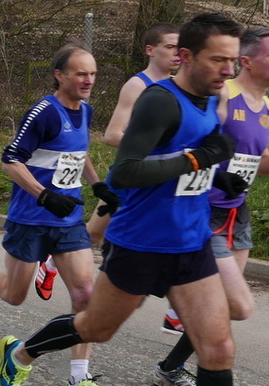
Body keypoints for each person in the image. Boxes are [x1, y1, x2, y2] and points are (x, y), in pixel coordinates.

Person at [0, 13, 269, 386]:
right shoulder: (159, 101)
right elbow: (127, 172)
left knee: (218, 350)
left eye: (233, 61)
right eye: (218, 60)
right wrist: (199, 161)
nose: (226, 70)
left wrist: (220, 180)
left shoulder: (213, 100)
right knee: (96, 327)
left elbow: (193, 161)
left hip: (191, 243)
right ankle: (22, 352)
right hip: (140, 244)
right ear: (186, 56)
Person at [0, 45, 120, 386]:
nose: (88, 81)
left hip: (68, 219)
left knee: (85, 296)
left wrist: (96, 183)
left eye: (93, 74)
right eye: (80, 74)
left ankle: (79, 380)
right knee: (14, 294)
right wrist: (43, 195)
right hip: (32, 217)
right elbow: (10, 160)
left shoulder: (86, 110)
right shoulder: (43, 112)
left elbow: (76, 151)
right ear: (60, 75)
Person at [151, 27, 269, 386]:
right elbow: (189, 148)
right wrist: (215, 172)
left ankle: (171, 366)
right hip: (200, 208)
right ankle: (163, 285)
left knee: (226, 306)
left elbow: (258, 163)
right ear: (247, 61)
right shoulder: (224, 96)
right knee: (227, 302)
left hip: (235, 213)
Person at [35, 23, 179, 300]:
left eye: (180, 47)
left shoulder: (178, 86)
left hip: (161, 179)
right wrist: (155, 149)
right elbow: (112, 135)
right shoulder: (138, 85)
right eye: (170, 46)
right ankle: (52, 263)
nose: (177, 53)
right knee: (94, 235)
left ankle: (177, 306)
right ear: (150, 50)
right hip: (130, 177)